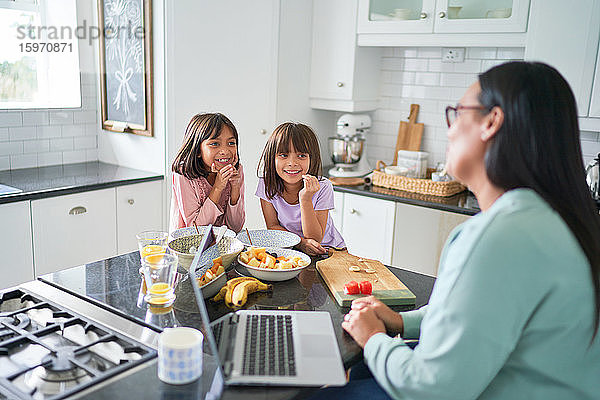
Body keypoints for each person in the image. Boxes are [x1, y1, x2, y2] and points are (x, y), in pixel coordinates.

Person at [313, 62, 600, 399]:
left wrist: (373, 337)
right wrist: (402, 322)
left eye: (457, 113)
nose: (448, 130)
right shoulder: (557, 219)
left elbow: (431, 389)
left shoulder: (499, 237)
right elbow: (483, 315)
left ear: (491, 122)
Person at [256, 122, 345, 255]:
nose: (292, 163)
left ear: (312, 158)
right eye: (283, 155)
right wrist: (300, 243)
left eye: (302, 156)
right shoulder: (266, 183)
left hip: (328, 250)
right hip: (291, 248)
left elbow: (315, 239)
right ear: (272, 157)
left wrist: (306, 199)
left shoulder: (323, 186)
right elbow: (273, 226)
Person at [170, 113, 245, 233]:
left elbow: (235, 227)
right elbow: (196, 230)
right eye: (215, 144)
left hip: (222, 245)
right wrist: (218, 187)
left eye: (231, 143)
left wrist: (235, 188)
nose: (225, 151)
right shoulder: (184, 173)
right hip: (188, 247)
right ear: (197, 150)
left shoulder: (236, 170)